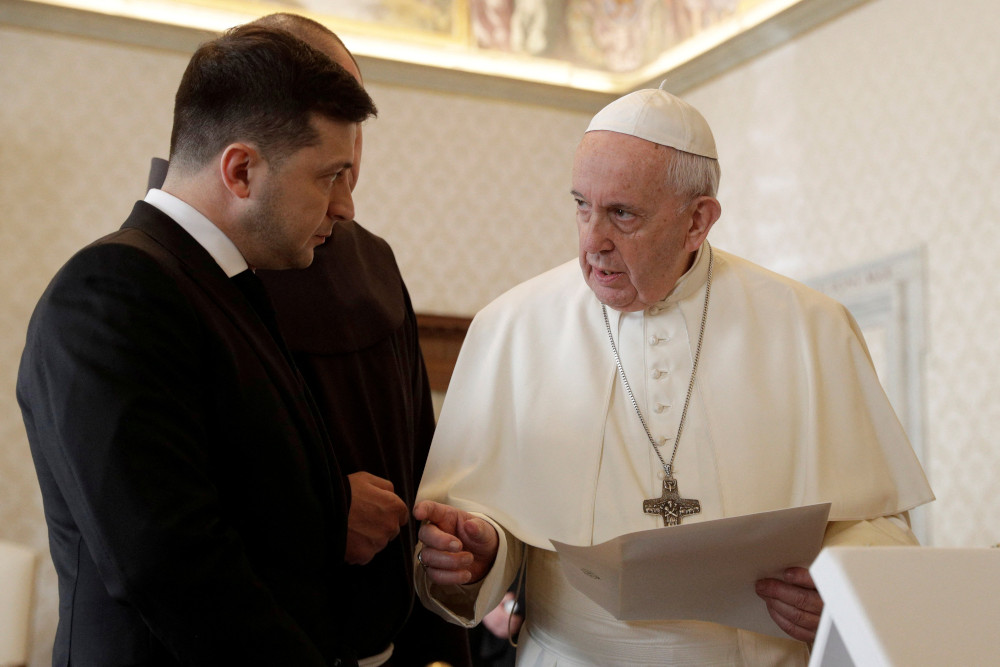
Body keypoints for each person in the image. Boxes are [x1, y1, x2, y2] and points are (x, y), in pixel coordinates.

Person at [411, 85, 935, 665]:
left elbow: (877, 521)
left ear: (698, 221)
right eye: (581, 205)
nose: (593, 242)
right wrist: (480, 553)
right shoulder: (510, 327)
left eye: (622, 214)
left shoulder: (810, 326)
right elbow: (479, 524)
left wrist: (839, 585)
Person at [17, 25, 392, 666]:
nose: (345, 207)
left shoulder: (222, 286)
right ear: (241, 169)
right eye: (330, 176)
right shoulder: (111, 289)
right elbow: (167, 562)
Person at [147, 13, 472, 667]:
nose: (345, 203)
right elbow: (168, 523)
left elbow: (423, 449)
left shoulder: (373, 261)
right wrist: (327, 513)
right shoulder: (160, 284)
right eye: (330, 170)